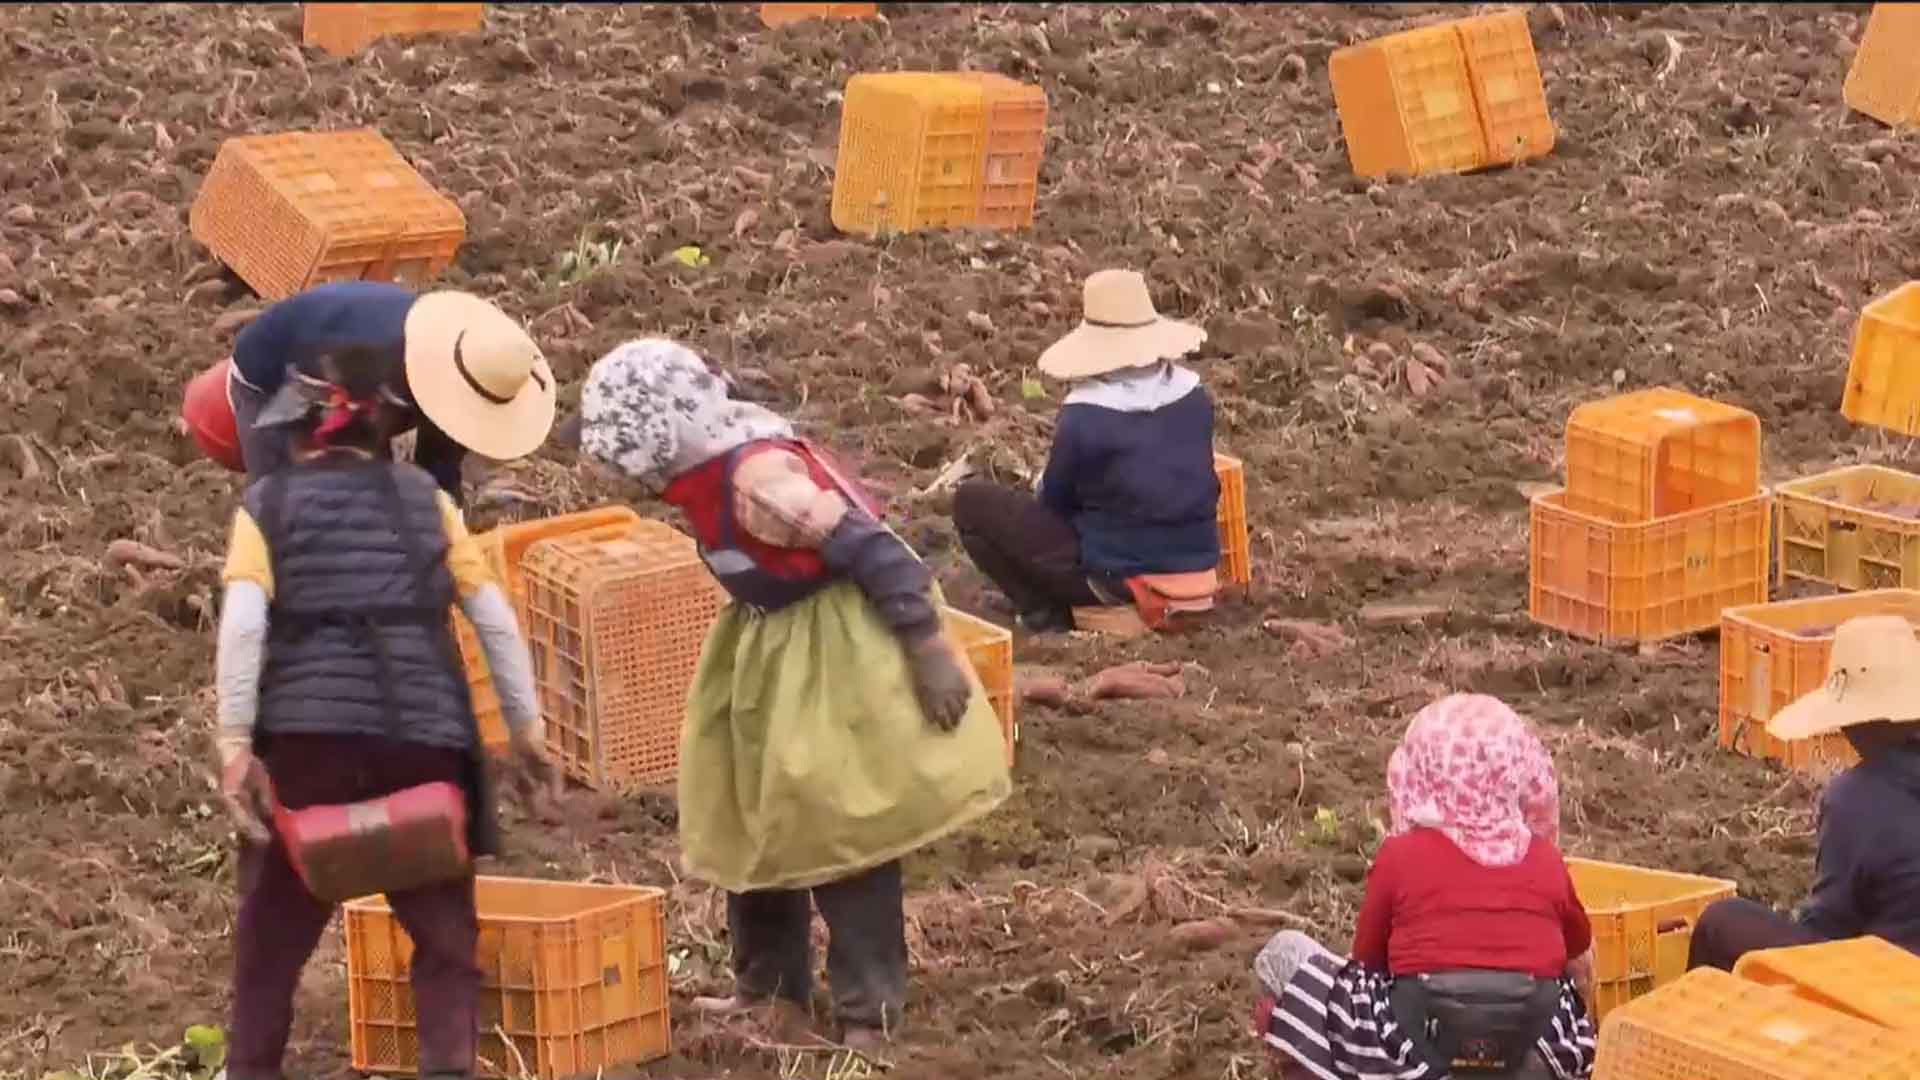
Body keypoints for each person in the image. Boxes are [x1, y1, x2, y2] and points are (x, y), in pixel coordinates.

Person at [578, 338, 1011, 1050]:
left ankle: (868, 1010)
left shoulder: (762, 487)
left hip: (834, 652)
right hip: (771, 646)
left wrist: (929, 649)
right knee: (757, 820)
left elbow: (880, 552)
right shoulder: (713, 464)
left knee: (842, 826)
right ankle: (767, 990)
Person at [213, 342, 557, 1080]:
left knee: (271, 942)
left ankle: (250, 1071)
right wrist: (525, 732)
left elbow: (243, 624)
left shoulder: (265, 506)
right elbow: (492, 617)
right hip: (422, 736)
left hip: (307, 745)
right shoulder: (426, 503)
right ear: (386, 433)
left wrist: (235, 745)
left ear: (300, 432)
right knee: (443, 940)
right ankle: (446, 1068)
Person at [1253, 694, 1597, 1080]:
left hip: (1415, 1051)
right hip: (1532, 1049)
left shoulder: (1400, 856)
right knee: (1573, 982)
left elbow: (1367, 961)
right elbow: (1578, 953)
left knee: (1281, 954)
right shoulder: (1545, 860)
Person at [952, 268, 1220, 634]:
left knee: (972, 503)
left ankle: (1045, 613)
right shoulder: (1194, 397)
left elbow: (1055, 502)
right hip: (1200, 568)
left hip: (1118, 580)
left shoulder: (1087, 415)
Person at [1689, 614, 1920, 971]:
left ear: (1866, 720)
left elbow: (1830, 933)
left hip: (1892, 994)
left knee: (1722, 922)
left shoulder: (1857, 799)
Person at [224, 281, 557, 504]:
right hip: (274, 376)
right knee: (280, 501)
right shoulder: (365, 358)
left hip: (363, 379)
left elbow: (439, 466)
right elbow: (310, 424)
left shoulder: (463, 367)